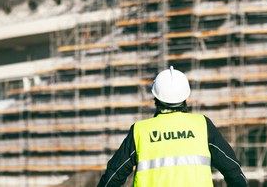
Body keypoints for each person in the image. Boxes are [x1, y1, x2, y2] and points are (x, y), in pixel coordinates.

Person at [98, 66, 247, 187]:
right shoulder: (202, 125)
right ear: (185, 96)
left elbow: (114, 175)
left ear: (155, 97)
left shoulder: (140, 131)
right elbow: (232, 169)